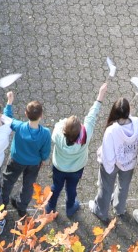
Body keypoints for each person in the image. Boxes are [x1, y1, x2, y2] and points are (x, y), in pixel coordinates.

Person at [44, 83, 105, 217]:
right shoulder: (85, 136)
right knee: (71, 188)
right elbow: (91, 117)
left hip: (59, 167)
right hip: (76, 169)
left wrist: (64, 122)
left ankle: (50, 207)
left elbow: (58, 124)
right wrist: (100, 97)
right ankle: (70, 207)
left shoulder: (57, 135)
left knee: (56, 187)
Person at [0, 90, 52, 214]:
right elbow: (46, 150)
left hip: (16, 160)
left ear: (26, 114)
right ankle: (21, 207)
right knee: (28, 185)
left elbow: (7, 118)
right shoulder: (46, 133)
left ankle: (2, 203)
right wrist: (43, 159)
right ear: (41, 115)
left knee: (8, 180)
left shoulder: (19, 126)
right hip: (33, 164)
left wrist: (9, 103)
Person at [92, 97, 138, 222]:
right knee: (123, 187)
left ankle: (101, 212)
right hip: (129, 162)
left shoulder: (111, 130)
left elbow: (108, 155)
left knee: (106, 188)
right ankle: (119, 209)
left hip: (112, 164)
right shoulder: (137, 122)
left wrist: (108, 169)